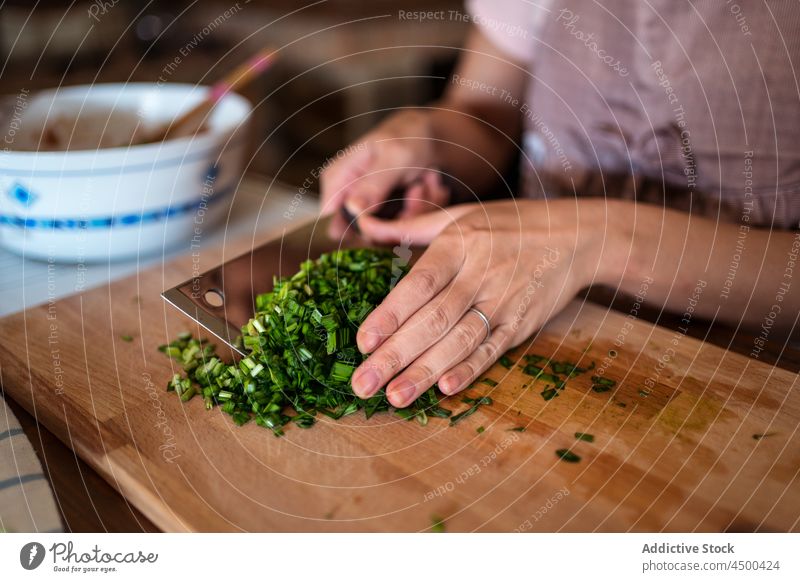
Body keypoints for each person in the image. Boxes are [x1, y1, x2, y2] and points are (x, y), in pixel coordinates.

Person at [319, 1, 800, 409]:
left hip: (759, 380)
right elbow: (485, 111)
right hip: (543, 328)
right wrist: (431, 140)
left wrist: (599, 242)